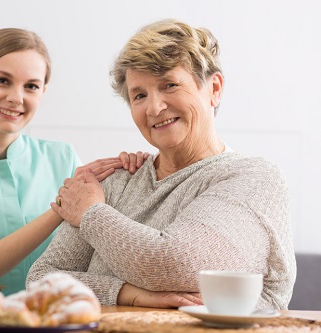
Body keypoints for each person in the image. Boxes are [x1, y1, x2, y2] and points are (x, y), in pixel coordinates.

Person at [27, 19, 296, 310]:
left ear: (214, 88)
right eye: (139, 95)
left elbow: (176, 264)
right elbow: (41, 281)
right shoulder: (116, 180)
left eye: (169, 85)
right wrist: (127, 293)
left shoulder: (254, 178)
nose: (154, 108)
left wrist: (91, 214)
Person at [0, 28, 146, 296]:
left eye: (31, 86)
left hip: (56, 324)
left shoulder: (64, 158)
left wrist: (133, 173)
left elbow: (100, 249)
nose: (16, 97)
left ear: (42, 92)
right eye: (3, 80)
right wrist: (61, 207)